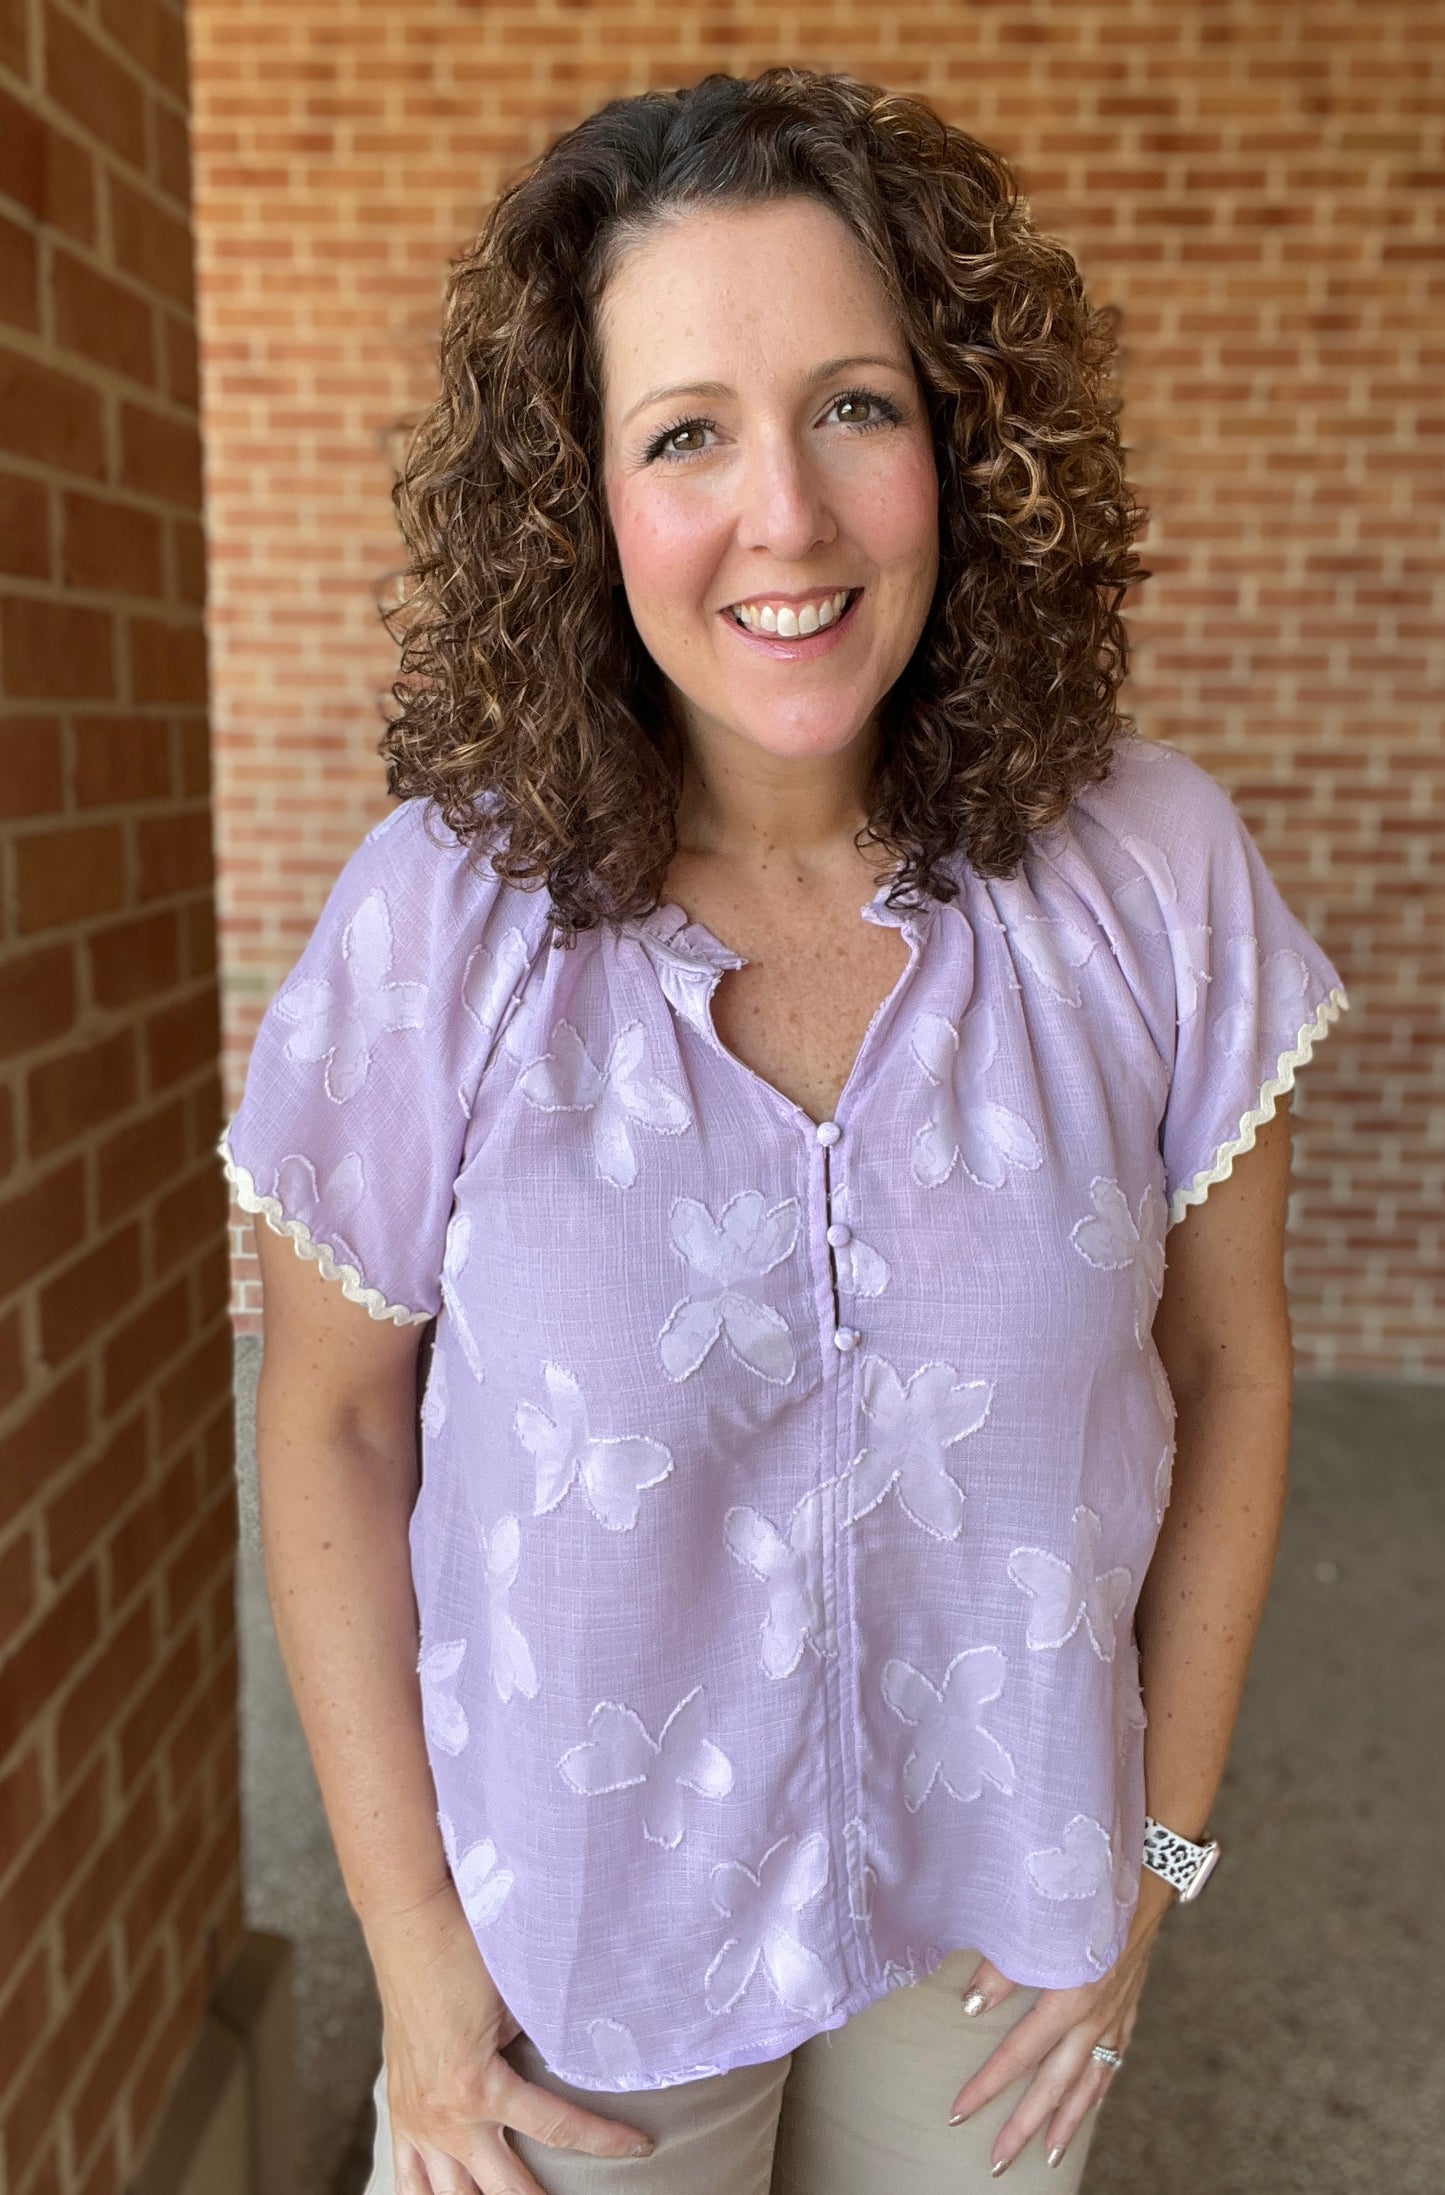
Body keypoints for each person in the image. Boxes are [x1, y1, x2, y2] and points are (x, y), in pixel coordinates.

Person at [220, 69, 1347, 2195]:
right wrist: (421, 1978)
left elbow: (1231, 1368)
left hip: (1007, 1924)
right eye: (685, 435)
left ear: (963, 438)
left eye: (853, 404)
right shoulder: (438, 927)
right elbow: (337, 1426)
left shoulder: (1154, 883)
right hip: (577, 1955)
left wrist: (1163, 1851)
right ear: (580, 497)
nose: (788, 519)